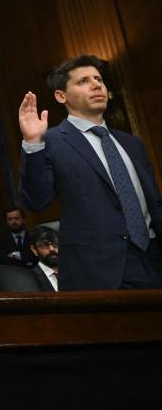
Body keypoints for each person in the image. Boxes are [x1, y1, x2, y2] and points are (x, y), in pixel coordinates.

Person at [19, 55, 162, 290]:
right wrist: (33, 143)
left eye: (99, 79)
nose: (97, 85)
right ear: (61, 96)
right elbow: (35, 201)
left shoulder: (132, 143)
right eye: (83, 81)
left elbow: (153, 203)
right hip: (98, 271)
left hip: (153, 261)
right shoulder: (52, 141)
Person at [30, 225, 60, 292]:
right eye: (45, 245)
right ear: (34, 249)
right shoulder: (30, 278)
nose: (52, 249)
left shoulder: (72, 271)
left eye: (55, 243)